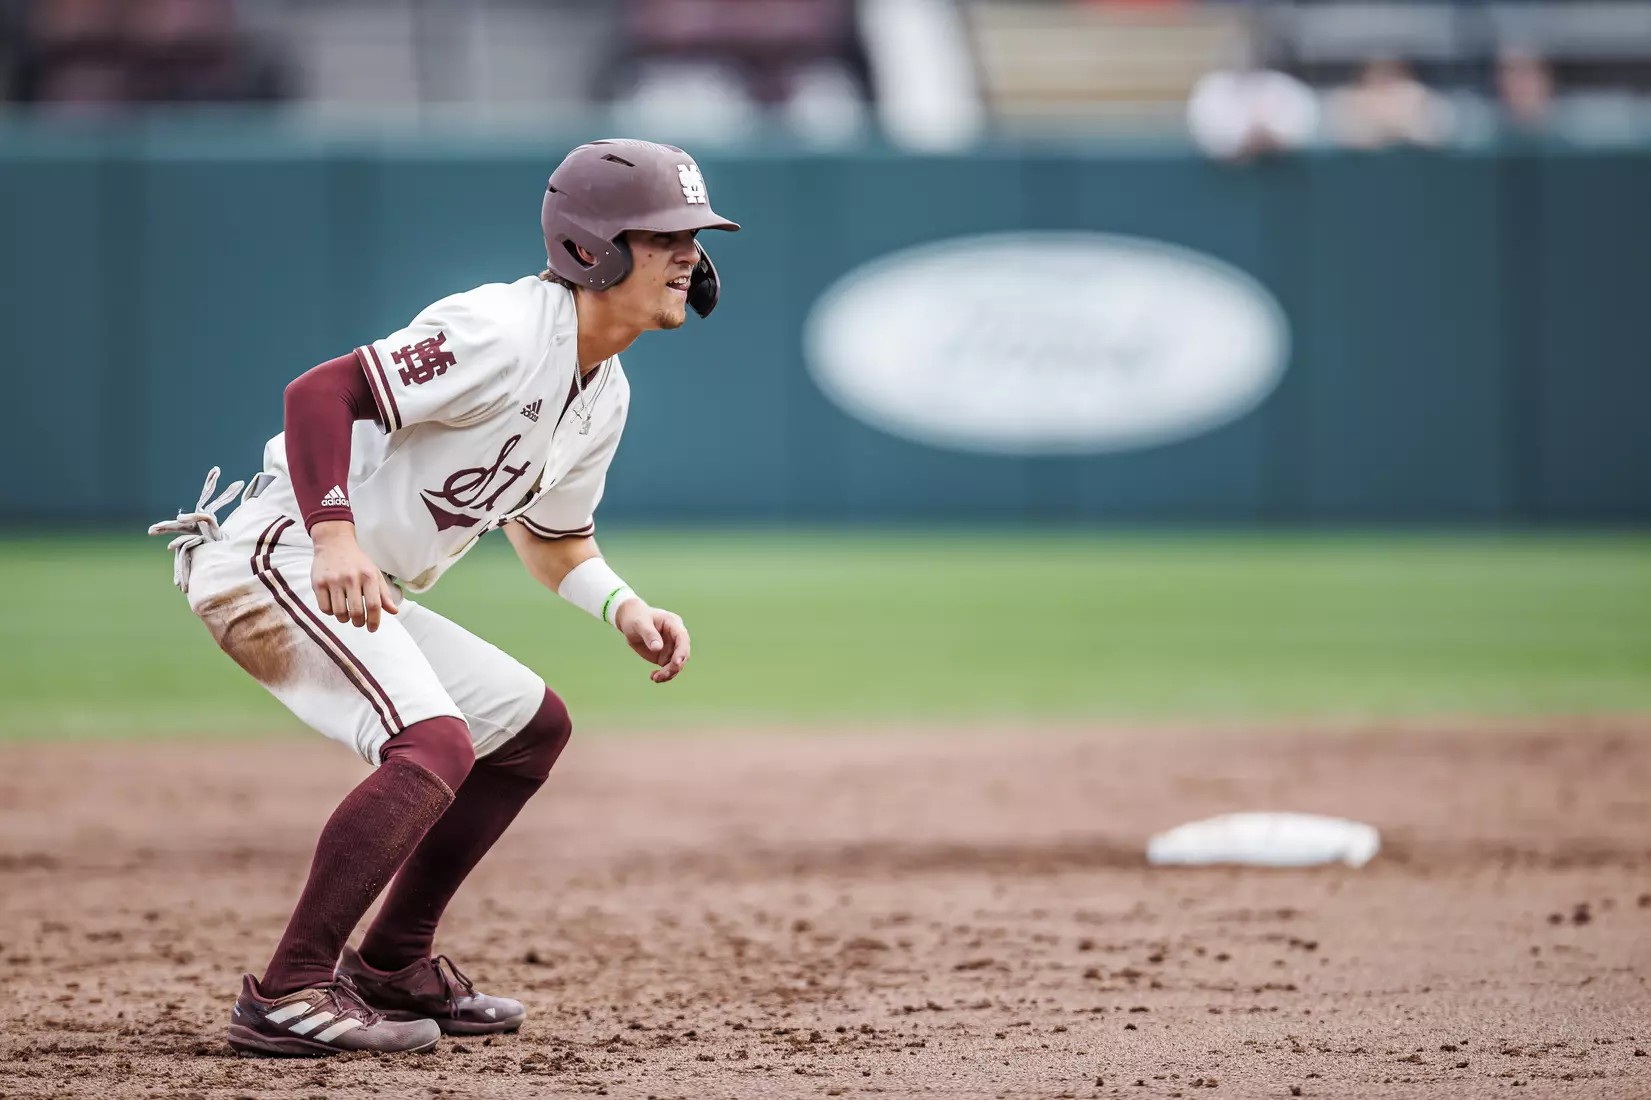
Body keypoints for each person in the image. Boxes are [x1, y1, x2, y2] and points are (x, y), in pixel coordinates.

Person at [148, 139, 740, 1057]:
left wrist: (622, 605)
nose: (689, 255)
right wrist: (334, 531)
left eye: (693, 237)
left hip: (348, 572)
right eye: (664, 235)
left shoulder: (603, 389)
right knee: (432, 741)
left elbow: (553, 540)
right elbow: (320, 393)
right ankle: (292, 986)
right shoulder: (501, 331)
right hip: (274, 551)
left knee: (528, 728)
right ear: (593, 249)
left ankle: (392, 962)